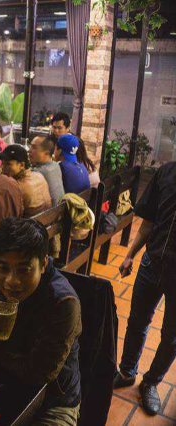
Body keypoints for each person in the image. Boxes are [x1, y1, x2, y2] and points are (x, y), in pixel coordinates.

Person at [0, 218, 82, 425]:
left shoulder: (62, 302)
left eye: (24, 269)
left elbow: (38, 374)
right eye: (3, 268)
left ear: (43, 264)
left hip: (51, 401)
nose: (12, 281)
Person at [114, 161, 176, 416]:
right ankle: (127, 371)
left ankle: (150, 382)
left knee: (171, 337)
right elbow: (149, 221)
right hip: (151, 264)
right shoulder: (167, 172)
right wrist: (130, 255)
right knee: (137, 320)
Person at [1, 144, 52, 218]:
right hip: (47, 221)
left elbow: (9, 215)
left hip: (30, 224)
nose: (3, 168)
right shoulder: (39, 175)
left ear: (21, 165)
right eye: (2, 163)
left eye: (8, 164)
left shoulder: (16, 186)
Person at [30, 135, 65, 205]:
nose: (29, 150)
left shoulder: (39, 173)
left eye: (34, 147)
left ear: (46, 153)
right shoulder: (55, 165)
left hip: (51, 211)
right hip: (60, 208)